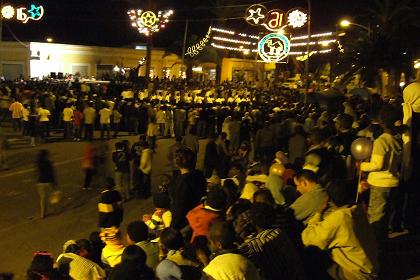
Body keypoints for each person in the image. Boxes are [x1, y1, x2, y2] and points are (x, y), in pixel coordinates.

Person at [302, 180, 379, 280]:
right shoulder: (357, 210)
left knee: (311, 256)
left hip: (358, 275)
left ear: (329, 200)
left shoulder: (340, 218)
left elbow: (307, 239)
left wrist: (318, 213)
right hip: (371, 269)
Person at [360, 105, 403, 239]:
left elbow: (377, 165)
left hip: (381, 184)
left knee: (376, 217)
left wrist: (362, 166)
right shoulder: (397, 139)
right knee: (386, 216)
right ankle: (383, 241)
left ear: (382, 122)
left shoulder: (382, 141)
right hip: (393, 182)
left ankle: (377, 245)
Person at [238, 203, 305, 280]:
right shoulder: (279, 233)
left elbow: (238, 251)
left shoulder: (255, 243)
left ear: (252, 221)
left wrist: (237, 234)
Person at [169, 148, 207, 230]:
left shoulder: (182, 181)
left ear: (176, 162)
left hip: (186, 221)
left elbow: (180, 207)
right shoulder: (199, 174)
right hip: (198, 215)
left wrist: (173, 228)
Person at [35, 150, 57, 218]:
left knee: (42, 198)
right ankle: (54, 208)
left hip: (40, 182)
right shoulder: (48, 163)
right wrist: (55, 183)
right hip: (48, 182)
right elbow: (51, 173)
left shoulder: (38, 162)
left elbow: (36, 172)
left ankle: (42, 214)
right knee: (54, 194)